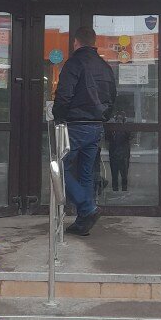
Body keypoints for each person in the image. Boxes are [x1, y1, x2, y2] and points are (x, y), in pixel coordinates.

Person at [52, 26, 116, 236]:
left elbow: (64, 94)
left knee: (59, 169)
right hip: (96, 126)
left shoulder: (74, 63)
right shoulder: (105, 66)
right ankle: (82, 223)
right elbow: (112, 97)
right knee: (85, 174)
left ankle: (88, 208)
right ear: (94, 42)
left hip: (75, 125)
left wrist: (58, 116)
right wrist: (102, 117)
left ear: (76, 42)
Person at [105, 112, 132, 192]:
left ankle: (124, 189)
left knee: (124, 175)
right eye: (118, 119)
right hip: (114, 154)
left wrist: (123, 126)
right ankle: (115, 189)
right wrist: (112, 127)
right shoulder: (112, 130)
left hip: (124, 155)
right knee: (114, 175)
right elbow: (107, 138)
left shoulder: (126, 129)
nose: (119, 121)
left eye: (121, 119)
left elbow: (130, 136)